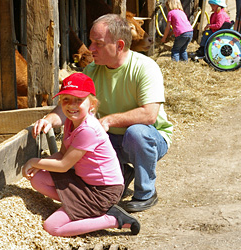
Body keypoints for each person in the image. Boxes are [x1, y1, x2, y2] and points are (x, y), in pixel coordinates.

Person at [32, 14, 173, 213]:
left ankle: (146, 192)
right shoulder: (92, 70)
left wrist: (108, 120)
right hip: (111, 139)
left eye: (97, 43)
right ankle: (119, 177)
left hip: (150, 137)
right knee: (86, 136)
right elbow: (69, 105)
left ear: (120, 45)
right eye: (91, 42)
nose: (90, 49)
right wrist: (49, 120)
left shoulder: (145, 68)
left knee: (136, 133)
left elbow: (149, 115)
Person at [22, 73, 140, 236]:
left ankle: (113, 218)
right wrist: (40, 166)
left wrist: (35, 161)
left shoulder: (88, 130)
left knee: (52, 227)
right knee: (38, 179)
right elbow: (62, 155)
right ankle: (78, 208)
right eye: (66, 100)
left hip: (103, 192)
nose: (71, 105)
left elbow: (63, 166)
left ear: (92, 104)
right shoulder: (71, 121)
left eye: (79, 100)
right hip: (86, 183)